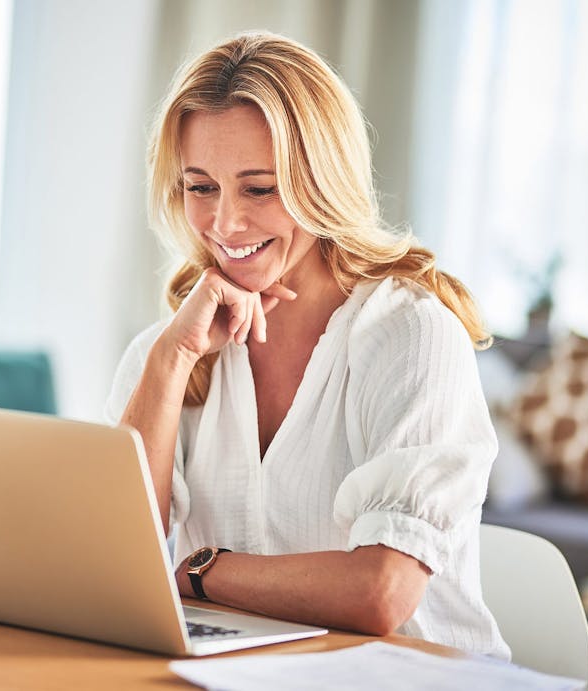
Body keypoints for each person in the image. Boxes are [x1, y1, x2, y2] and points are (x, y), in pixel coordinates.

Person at [105, 31, 510, 659]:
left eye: (259, 188)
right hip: (241, 672)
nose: (225, 223)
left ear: (322, 183)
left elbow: (380, 592)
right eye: (200, 186)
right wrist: (168, 361)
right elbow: (111, 561)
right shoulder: (172, 347)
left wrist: (201, 572)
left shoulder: (410, 333)